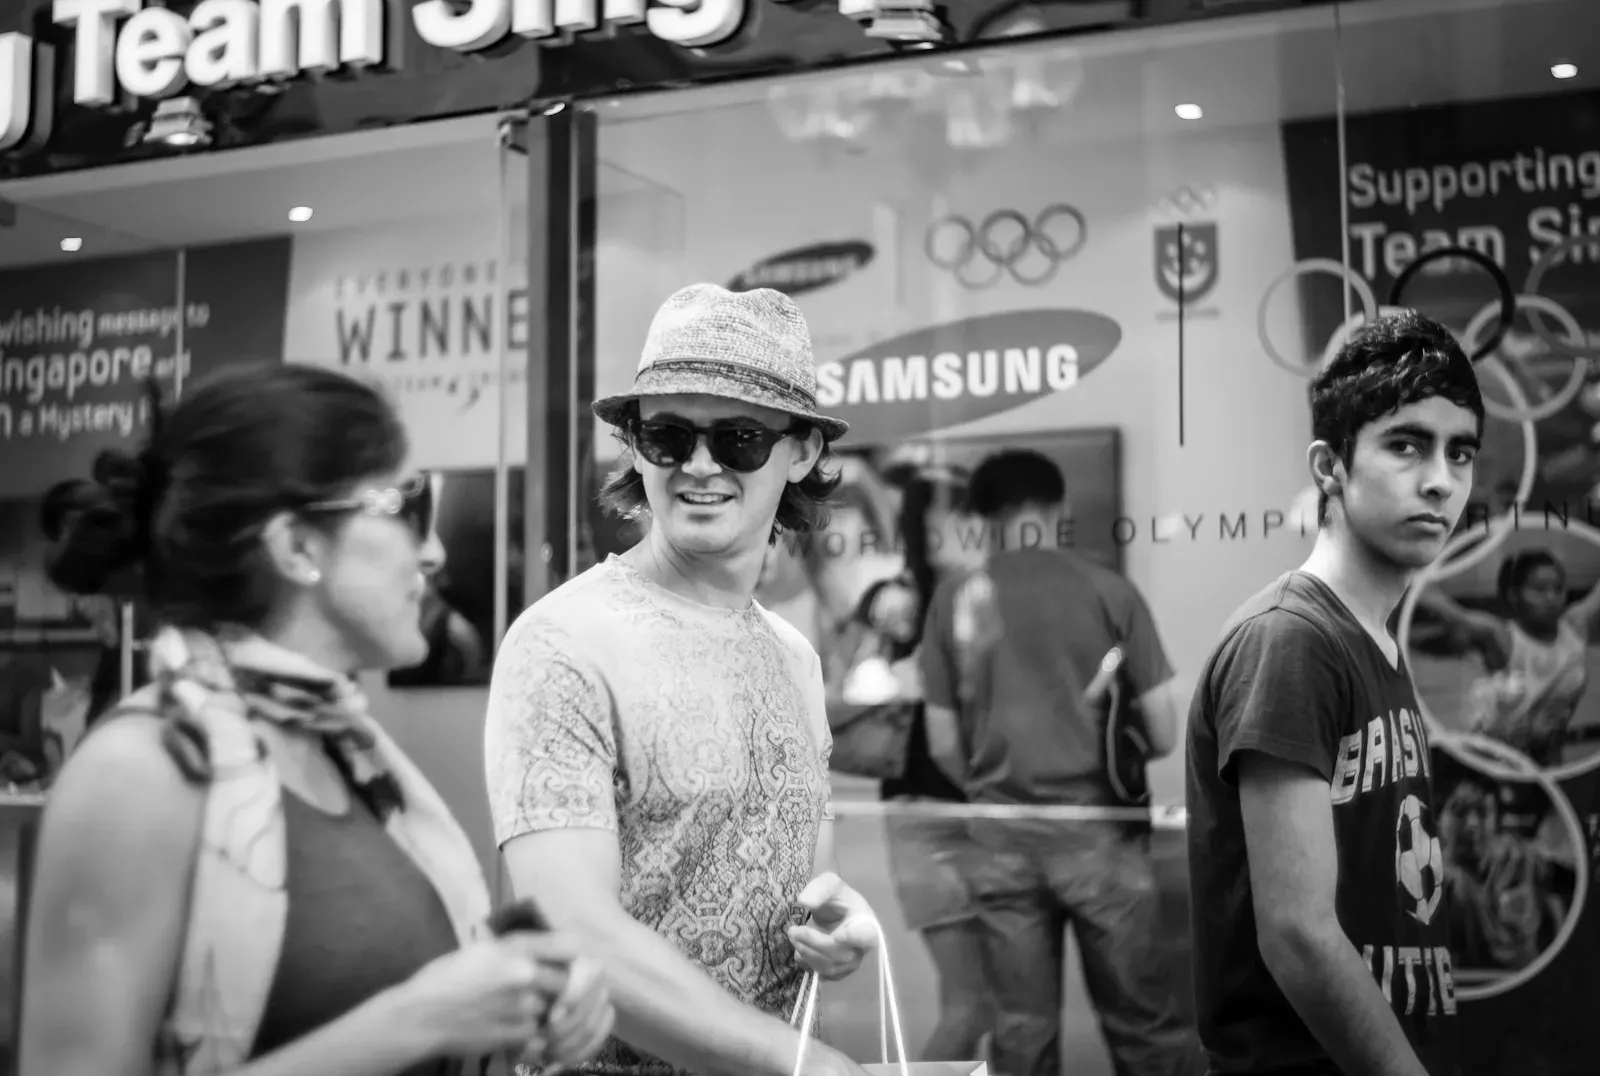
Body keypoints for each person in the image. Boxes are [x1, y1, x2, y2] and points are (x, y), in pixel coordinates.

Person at [21, 363, 614, 1076]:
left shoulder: (352, 757)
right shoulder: (143, 771)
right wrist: (418, 1020)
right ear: (299, 547)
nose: (434, 552)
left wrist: (515, 1013)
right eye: (408, 508)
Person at [484, 284, 879, 1076]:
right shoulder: (565, 643)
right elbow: (574, 930)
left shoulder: (793, 656)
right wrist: (806, 1065)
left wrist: (836, 927)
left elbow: (805, 886)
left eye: (738, 438)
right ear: (634, 446)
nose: (700, 465)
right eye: (668, 435)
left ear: (800, 453)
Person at [1186, 310, 1482, 1076]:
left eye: (1461, 452)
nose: (1441, 480)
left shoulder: (1371, 634)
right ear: (1329, 467)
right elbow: (1299, 934)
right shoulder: (1291, 641)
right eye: (1406, 444)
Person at [918, 449, 1189, 1076]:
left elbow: (940, 744)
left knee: (1021, 1033)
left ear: (980, 517)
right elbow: (1164, 732)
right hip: (1101, 839)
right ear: (1057, 507)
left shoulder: (953, 601)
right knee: (1144, 1026)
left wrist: (994, 785)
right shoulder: (1108, 591)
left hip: (999, 841)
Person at [1416, 547, 1600, 766]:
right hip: (1495, 763)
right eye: (1539, 589)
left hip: (1546, 762)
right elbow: (1447, 611)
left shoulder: (1575, 628)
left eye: (1558, 588)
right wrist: (1414, 568)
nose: (1551, 597)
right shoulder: (1503, 639)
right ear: (1515, 595)